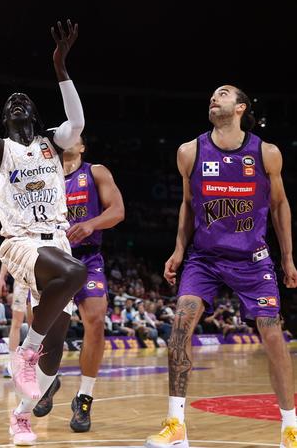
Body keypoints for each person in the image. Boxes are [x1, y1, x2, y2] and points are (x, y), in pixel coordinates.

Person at [0, 20, 89, 445]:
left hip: (57, 241)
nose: (15, 103)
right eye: (9, 101)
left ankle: (21, 415)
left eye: (22, 100)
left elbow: (78, 120)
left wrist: (60, 66)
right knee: (75, 274)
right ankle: (25, 353)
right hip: (20, 242)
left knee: (59, 341)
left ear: (32, 113)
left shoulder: (52, 141)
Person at [145, 85, 297, 448]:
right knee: (180, 323)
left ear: (241, 107)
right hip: (205, 258)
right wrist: (179, 250)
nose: (215, 97)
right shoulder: (190, 151)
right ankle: (176, 424)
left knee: (273, 337)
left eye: (224, 93)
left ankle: (290, 426)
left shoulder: (266, 152)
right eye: (212, 94)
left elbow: (279, 206)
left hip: (252, 259)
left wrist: (288, 257)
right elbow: (187, 204)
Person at [31, 131, 125, 433]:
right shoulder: (45, 175)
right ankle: (48, 381)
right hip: (54, 257)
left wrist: (90, 224)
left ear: (82, 146)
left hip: (87, 257)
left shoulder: (95, 171)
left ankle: (84, 397)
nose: (66, 138)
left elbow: (118, 211)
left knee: (95, 318)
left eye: (73, 136)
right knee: (46, 328)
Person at [0, 264, 30, 379]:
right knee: (16, 323)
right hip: (22, 280)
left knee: (36, 326)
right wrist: (1, 277)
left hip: (40, 280)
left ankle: (37, 363)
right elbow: (7, 256)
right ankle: (12, 362)